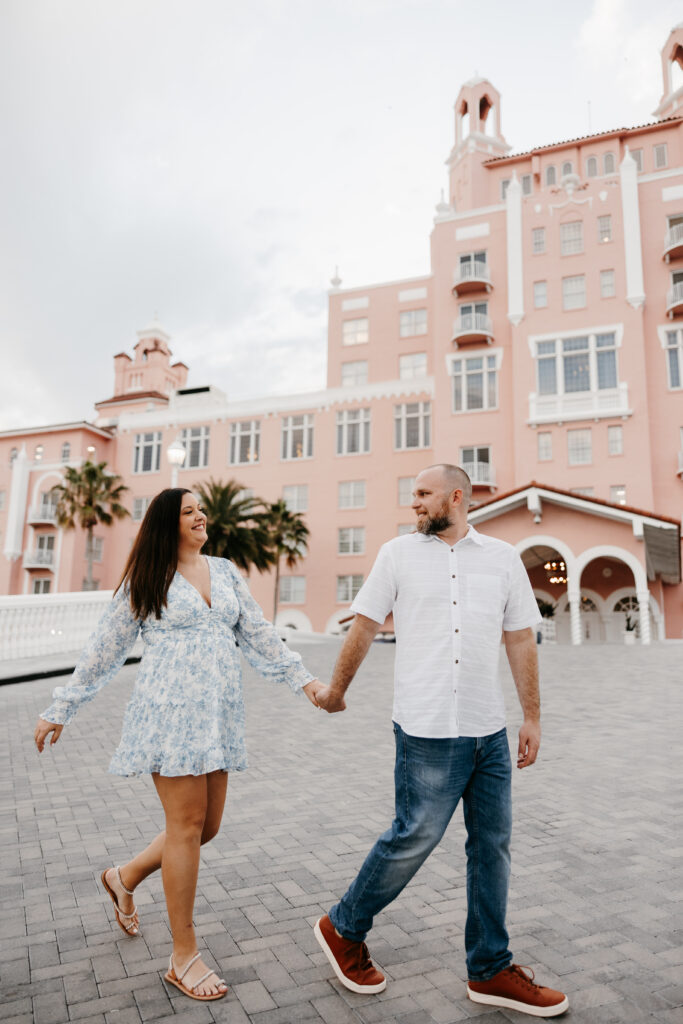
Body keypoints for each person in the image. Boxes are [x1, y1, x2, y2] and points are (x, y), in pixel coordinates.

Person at [34, 488, 323, 1003]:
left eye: (200, 509)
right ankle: (183, 956)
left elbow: (258, 633)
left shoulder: (226, 570)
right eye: (188, 511)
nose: (200, 516)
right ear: (168, 523)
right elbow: (104, 648)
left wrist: (307, 683)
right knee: (186, 828)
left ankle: (123, 877)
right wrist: (61, 707)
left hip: (217, 717)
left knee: (205, 828)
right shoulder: (148, 579)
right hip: (169, 716)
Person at [312, 464, 569, 1018]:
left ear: (456, 496)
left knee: (492, 848)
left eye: (423, 495)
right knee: (414, 836)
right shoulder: (396, 555)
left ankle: (490, 969)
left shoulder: (501, 558)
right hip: (426, 728)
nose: (415, 504)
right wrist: (336, 689)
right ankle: (343, 926)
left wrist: (532, 716)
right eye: (413, 496)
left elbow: (521, 637)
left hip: (488, 731)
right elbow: (363, 624)